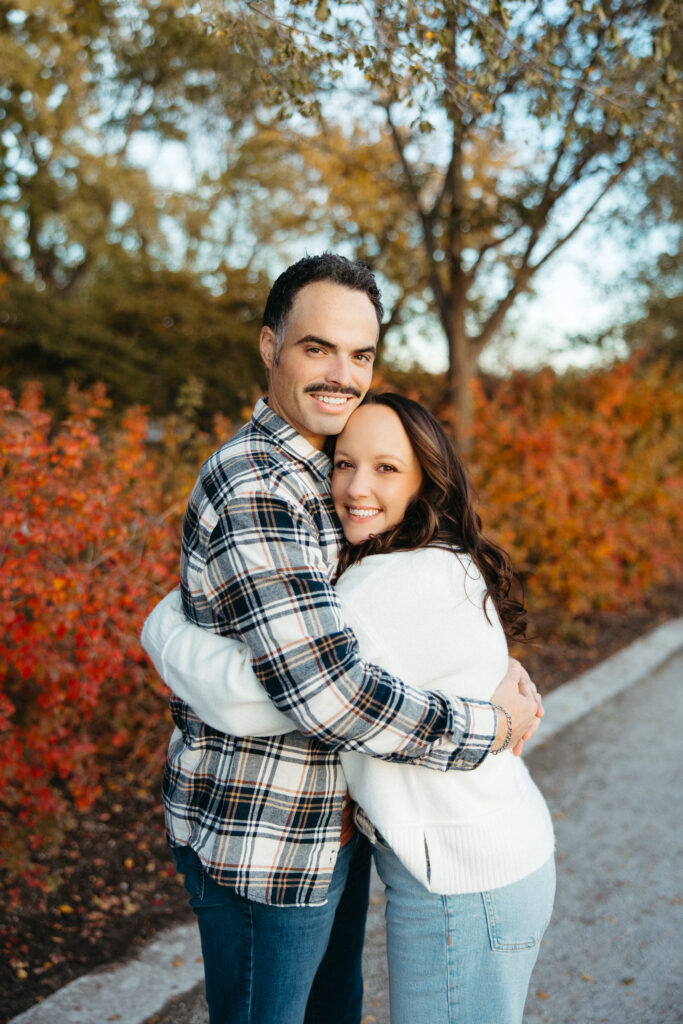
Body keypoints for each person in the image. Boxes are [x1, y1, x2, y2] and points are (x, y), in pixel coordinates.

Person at [142, 254, 542, 1024]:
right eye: (316, 348)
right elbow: (326, 692)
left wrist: (481, 656)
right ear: (269, 347)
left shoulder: (327, 465)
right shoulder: (261, 485)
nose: (342, 373)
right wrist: (487, 725)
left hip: (334, 824)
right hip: (269, 838)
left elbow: (387, 613)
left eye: (360, 354)